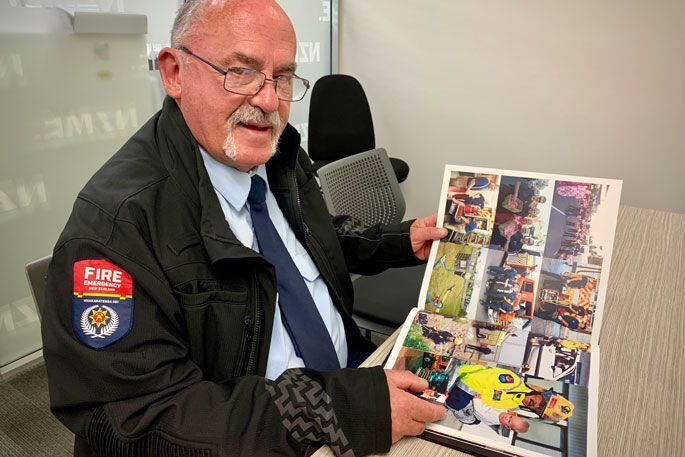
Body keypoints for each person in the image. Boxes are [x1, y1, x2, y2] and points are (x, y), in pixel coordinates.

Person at [40, 2, 448, 456]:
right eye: (241, 72)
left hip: (357, 376)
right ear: (174, 73)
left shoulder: (274, 154)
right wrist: (342, 407)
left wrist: (395, 241)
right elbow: (141, 417)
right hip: (277, 436)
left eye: (283, 77)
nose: (269, 101)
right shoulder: (115, 227)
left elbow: (312, 239)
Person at [445, 365, 574, 424]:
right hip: (450, 376)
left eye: (540, 408)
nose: (536, 404)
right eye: (543, 401)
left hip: (449, 394)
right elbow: (470, 381)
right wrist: (456, 404)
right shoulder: (513, 381)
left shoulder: (512, 406)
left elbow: (483, 411)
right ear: (542, 393)